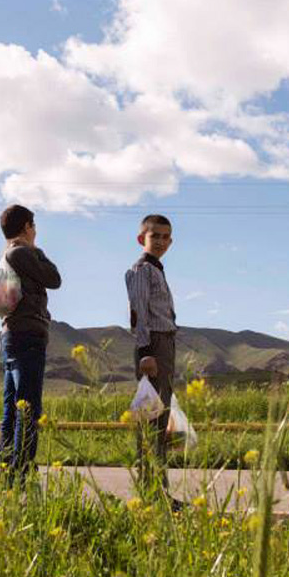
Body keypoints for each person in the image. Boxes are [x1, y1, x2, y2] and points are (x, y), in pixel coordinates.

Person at [0, 204, 62, 485]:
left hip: (12, 335)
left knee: (12, 405)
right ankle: (21, 470)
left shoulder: (8, 255)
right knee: (28, 407)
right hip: (27, 336)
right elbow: (54, 278)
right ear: (27, 227)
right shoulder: (22, 252)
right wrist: (37, 249)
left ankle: (8, 468)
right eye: (33, 226)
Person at [125, 213, 180, 505]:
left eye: (165, 236)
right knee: (151, 422)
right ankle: (151, 494)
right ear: (141, 239)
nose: (159, 241)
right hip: (153, 346)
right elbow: (139, 313)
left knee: (160, 422)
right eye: (154, 236)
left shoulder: (157, 270)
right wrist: (146, 351)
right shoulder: (141, 270)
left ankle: (159, 492)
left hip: (165, 344)